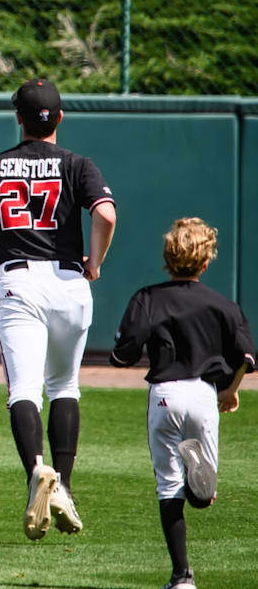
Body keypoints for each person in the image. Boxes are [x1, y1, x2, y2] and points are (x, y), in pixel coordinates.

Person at [0, 78, 117, 540]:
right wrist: (94, 261)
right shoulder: (77, 164)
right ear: (60, 118)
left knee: (23, 390)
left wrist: (3, 236)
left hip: (20, 278)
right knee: (65, 385)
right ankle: (63, 486)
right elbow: (105, 214)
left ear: (18, 118)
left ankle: (36, 472)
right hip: (70, 280)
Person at [111, 218, 254, 589]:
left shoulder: (148, 297)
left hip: (165, 394)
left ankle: (181, 577)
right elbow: (247, 357)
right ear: (206, 262)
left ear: (167, 257)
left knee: (168, 486)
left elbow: (124, 352)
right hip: (205, 395)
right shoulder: (223, 304)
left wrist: (124, 351)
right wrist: (231, 390)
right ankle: (198, 480)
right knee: (204, 497)